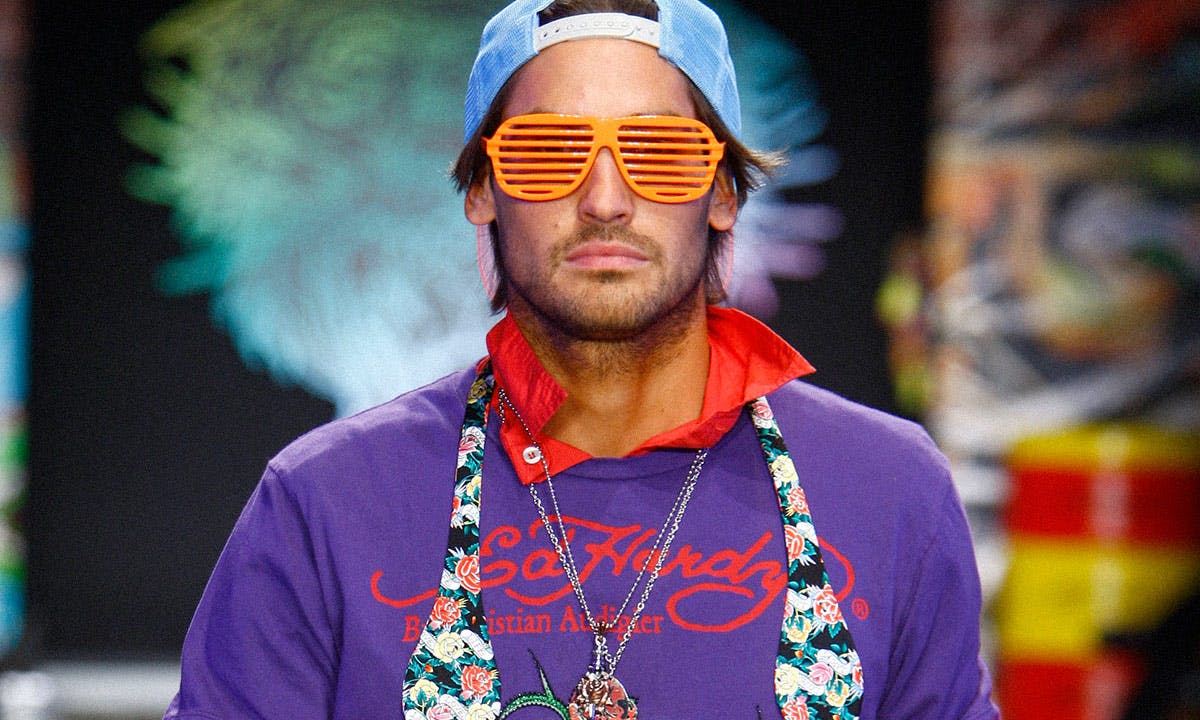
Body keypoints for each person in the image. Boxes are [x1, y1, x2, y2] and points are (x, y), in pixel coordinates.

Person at [164, 1, 1000, 718]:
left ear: (722, 191)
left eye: (660, 152)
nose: (605, 199)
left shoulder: (888, 490)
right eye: (547, 151)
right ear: (482, 189)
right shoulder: (326, 504)